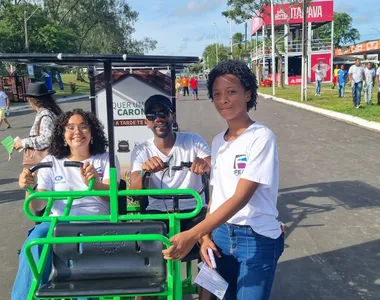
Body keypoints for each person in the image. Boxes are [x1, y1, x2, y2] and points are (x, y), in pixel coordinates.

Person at [162, 60, 284, 300]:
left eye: (231, 92)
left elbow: (240, 197)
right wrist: (206, 236)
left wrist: (193, 234)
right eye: (217, 94)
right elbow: (217, 195)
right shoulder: (218, 141)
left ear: (248, 94)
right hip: (220, 237)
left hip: (255, 239)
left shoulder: (261, 137)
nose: (224, 100)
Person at [12, 109, 121, 300]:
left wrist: (94, 184)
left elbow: (113, 196)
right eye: (70, 127)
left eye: (83, 126)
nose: (77, 132)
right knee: (37, 238)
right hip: (58, 223)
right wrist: (29, 188)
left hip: (95, 222)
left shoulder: (106, 159)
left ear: (92, 133)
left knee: (83, 250)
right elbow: (37, 207)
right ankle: (24, 296)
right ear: (62, 135)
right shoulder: (51, 162)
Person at [130, 94, 214, 300]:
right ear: (147, 122)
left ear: (172, 116)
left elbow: (212, 164)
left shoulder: (193, 140)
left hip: (194, 211)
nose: (158, 118)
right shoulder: (141, 150)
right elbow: (134, 190)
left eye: (163, 113)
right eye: (152, 114)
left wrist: (204, 165)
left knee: (212, 253)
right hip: (157, 213)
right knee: (143, 257)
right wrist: (144, 172)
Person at [13, 82, 63, 163]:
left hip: (47, 161)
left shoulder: (45, 115)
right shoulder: (49, 112)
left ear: (31, 101)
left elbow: (47, 138)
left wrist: (23, 142)